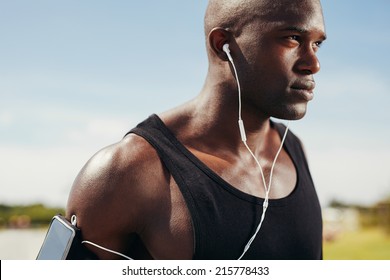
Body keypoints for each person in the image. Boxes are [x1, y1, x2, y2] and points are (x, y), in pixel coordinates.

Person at [66, 0, 327, 260]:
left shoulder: (293, 150)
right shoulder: (125, 172)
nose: (313, 64)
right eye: (293, 38)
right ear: (223, 45)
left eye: (317, 44)